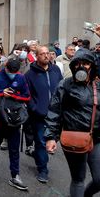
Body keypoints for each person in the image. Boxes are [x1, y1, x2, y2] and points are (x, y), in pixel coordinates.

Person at [45, 49, 100, 197]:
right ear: (73, 65)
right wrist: (51, 137)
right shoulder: (65, 85)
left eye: (86, 63)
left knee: (99, 179)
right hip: (74, 138)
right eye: (78, 63)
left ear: (92, 66)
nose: (82, 67)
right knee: (78, 179)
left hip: (96, 138)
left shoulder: (97, 85)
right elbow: (54, 112)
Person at [0, 58, 30, 191]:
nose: (13, 75)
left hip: (14, 118)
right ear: (6, 68)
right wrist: (0, 93)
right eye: (11, 72)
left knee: (14, 147)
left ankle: (15, 175)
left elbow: (27, 96)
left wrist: (15, 96)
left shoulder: (20, 77)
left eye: (16, 72)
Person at [24, 46, 62, 184]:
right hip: (39, 115)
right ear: (37, 56)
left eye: (48, 53)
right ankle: (43, 169)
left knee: (52, 140)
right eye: (43, 54)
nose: (46, 56)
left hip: (57, 114)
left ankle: (39, 157)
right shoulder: (29, 74)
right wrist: (35, 108)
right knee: (40, 142)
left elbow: (61, 88)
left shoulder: (56, 70)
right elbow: (26, 95)